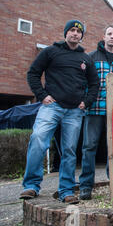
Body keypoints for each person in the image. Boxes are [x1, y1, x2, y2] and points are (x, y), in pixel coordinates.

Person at [20, 20, 99, 204]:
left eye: (78, 32)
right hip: (51, 107)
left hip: (74, 111)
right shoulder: (50, 52)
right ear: (66, 33)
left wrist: (85, 102)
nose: (75, 34)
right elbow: (33, 73)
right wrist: (42, 95)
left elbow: (94, 83)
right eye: (71, 30)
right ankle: (31, 185)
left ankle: (66, 190)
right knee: (38, 139)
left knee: (70, 150)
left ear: (81, 36)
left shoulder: (85, 59)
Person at [79, 25, 113, 200]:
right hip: (95, 109)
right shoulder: (91, 57)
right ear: (104, 37)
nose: (112, 37)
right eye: (109, 34)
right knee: (89, 146)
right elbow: (84, 81)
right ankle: (85, 186)